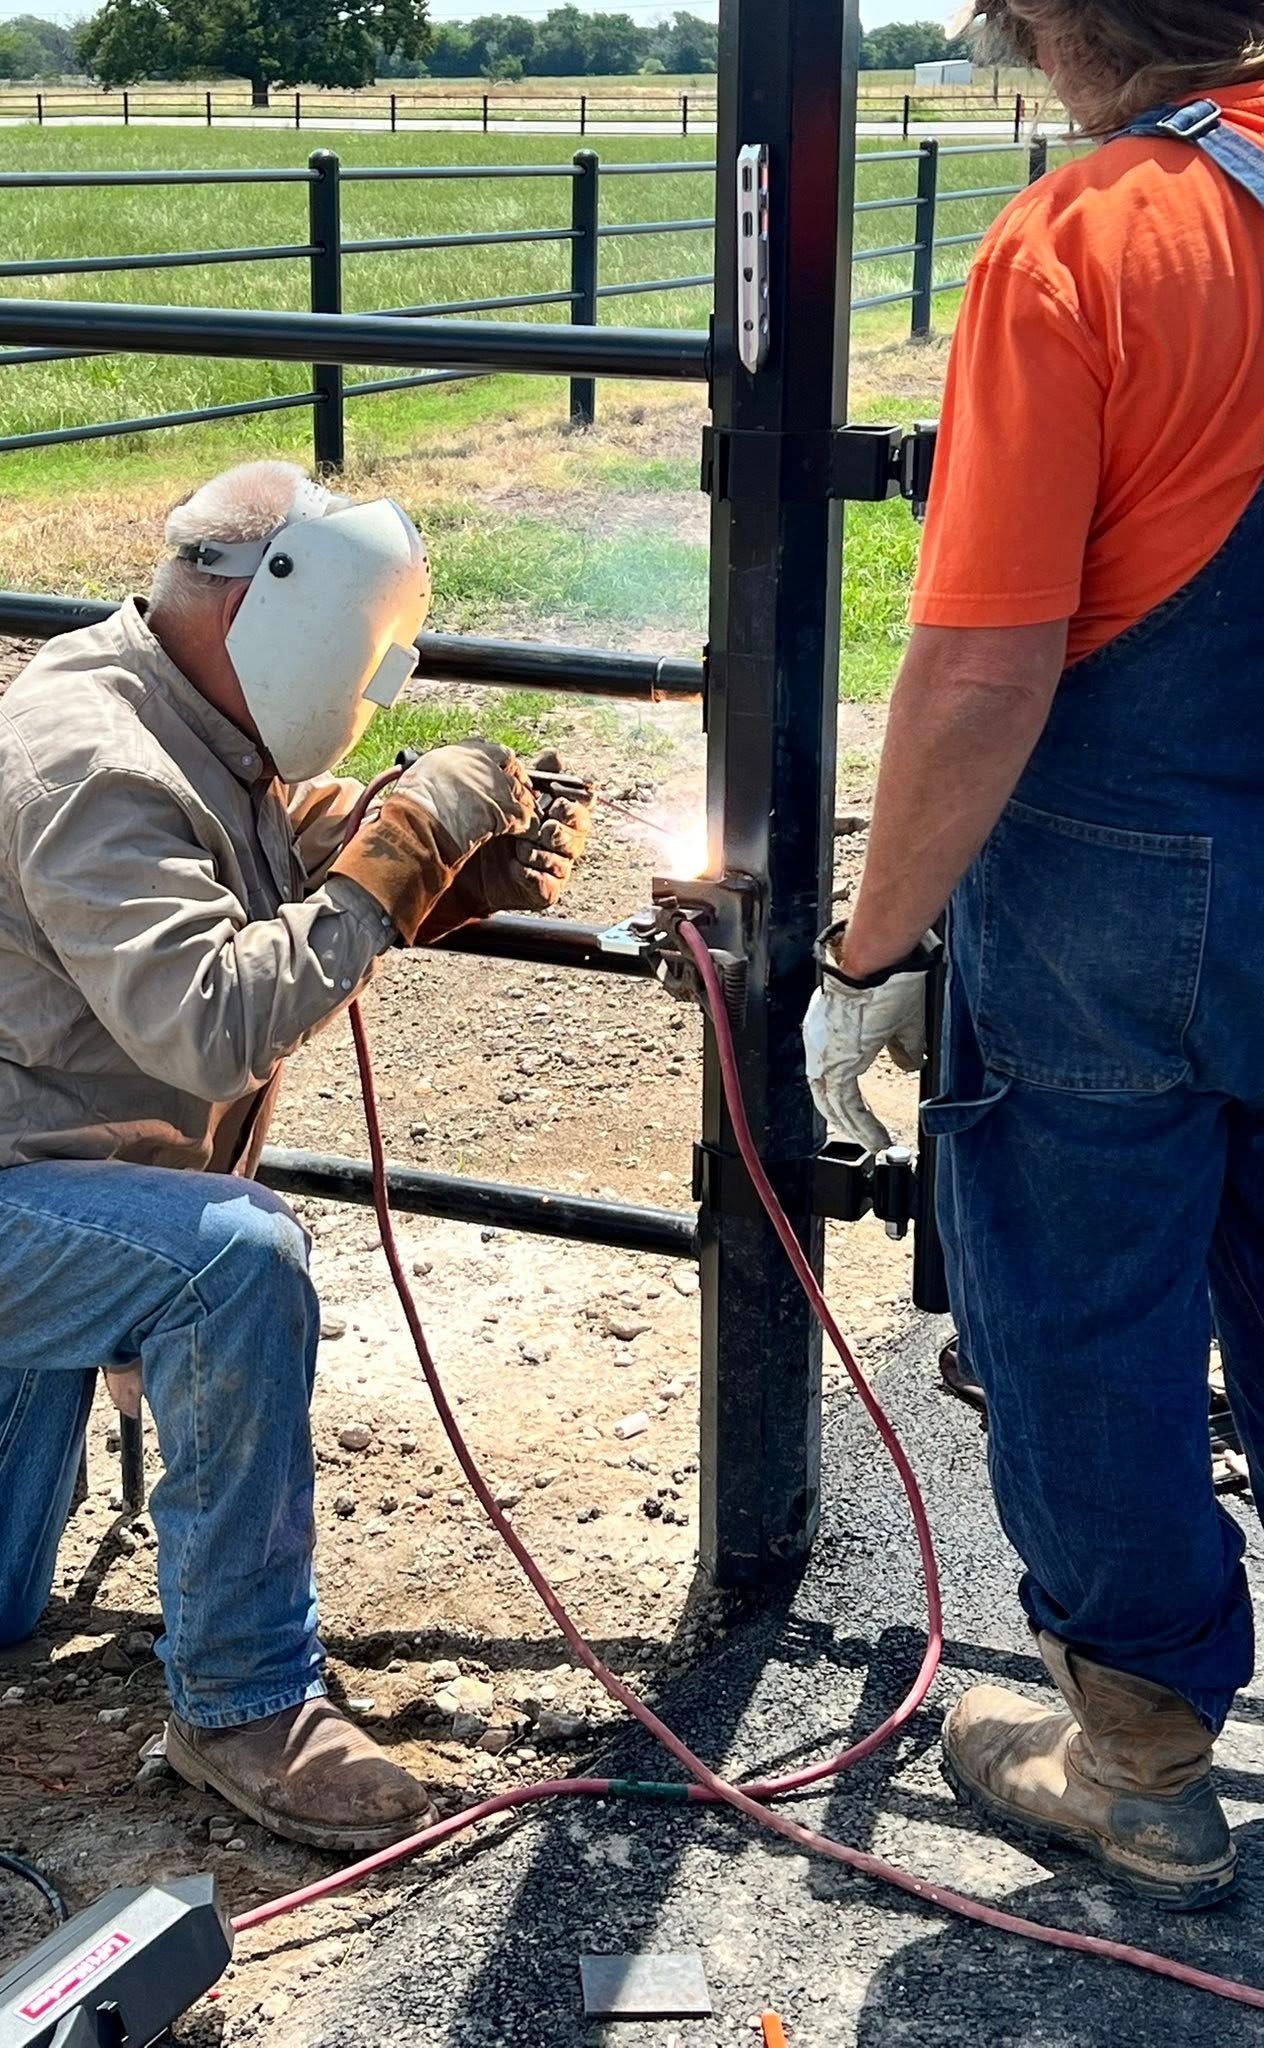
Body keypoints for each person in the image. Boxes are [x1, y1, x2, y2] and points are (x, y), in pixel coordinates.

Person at [0, 459, 592, 1856]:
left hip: (21, 1168)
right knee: (232, 1269)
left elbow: (229, 857)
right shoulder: (96, 755)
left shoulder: (176, 708)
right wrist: (390, 865)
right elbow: (208, 1022)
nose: (366, 685)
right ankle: (245, 1704)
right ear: (268, 604)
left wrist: (399, 861)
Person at [803, 1, 1264, 1910]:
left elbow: (985, 658)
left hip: (1116, 891)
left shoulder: (1085, 243)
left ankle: (1141, 1757)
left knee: (1081, 1311)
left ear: (1061, 21)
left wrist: (873, 945)